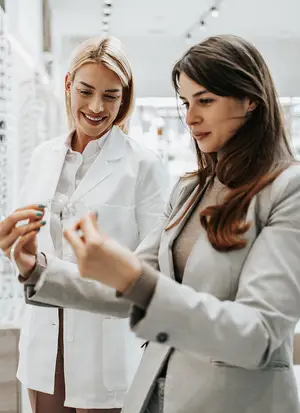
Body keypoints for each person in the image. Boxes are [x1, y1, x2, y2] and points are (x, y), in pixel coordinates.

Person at [3, 34, 300, 413]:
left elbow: (259, 335)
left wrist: (134, 279)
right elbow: (130, 285)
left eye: (205, 101)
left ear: (251, 99)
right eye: (185, 102)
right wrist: (35, 268)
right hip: (165, 396)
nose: (191, 117)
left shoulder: (288, 191)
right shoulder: (190, 190)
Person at [0, 36, 167, 413]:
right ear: (67, 85)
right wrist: (14, 248)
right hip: (45, 340)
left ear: (124, 98)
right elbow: (29, 249)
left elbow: (155, 273)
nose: (96, 107)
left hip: (106, 346)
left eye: (110, 95)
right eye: (86, 91)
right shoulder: (43, 157)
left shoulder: (144, 166)